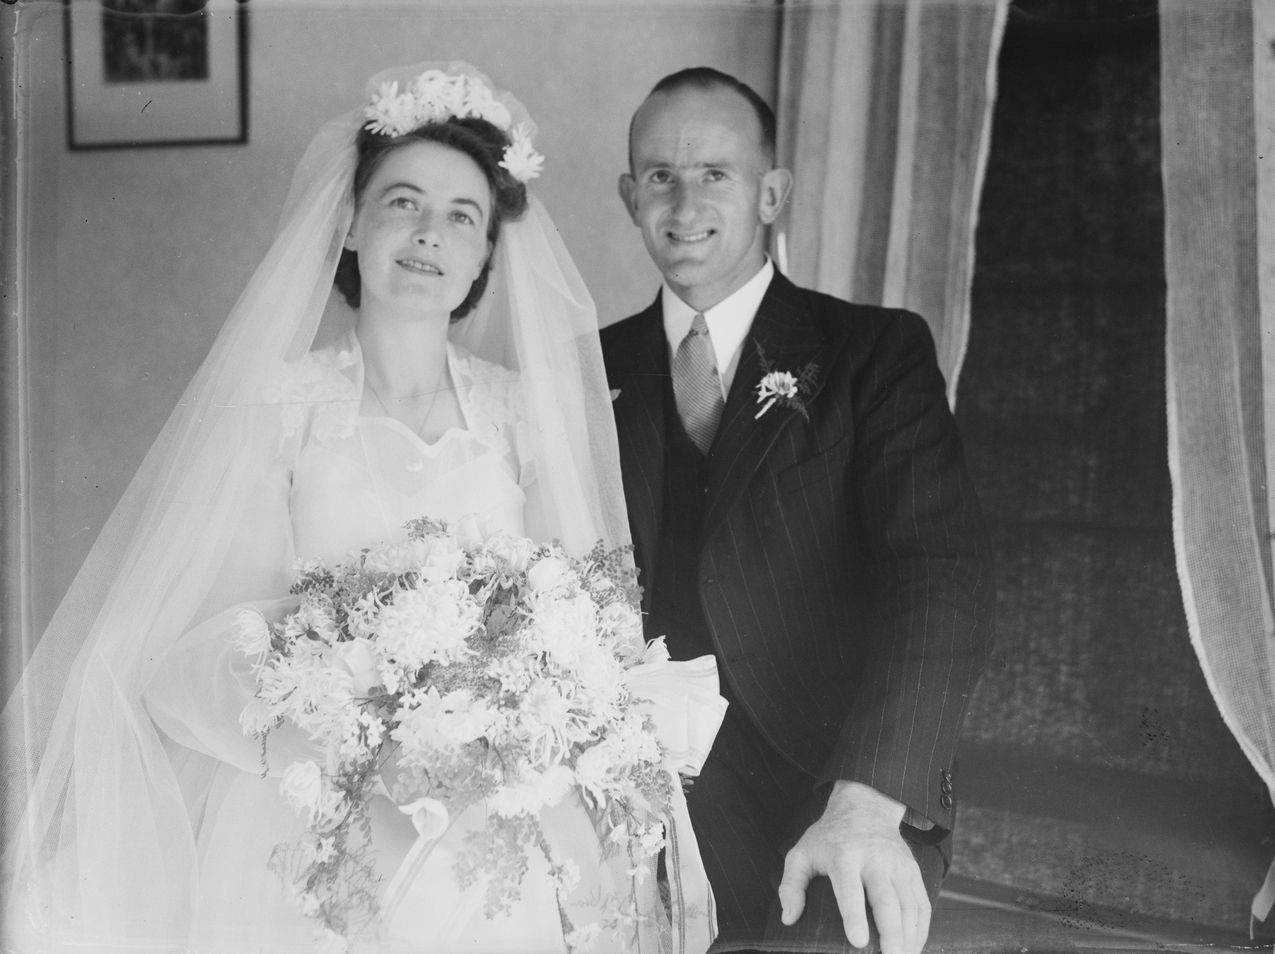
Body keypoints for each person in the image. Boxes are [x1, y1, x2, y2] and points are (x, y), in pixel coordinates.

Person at [2, 63, 721, 954]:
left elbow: (582, 635)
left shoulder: (520, 419)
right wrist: (359, 725)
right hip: (308, 811)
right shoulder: (282, 411)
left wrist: (495, 727)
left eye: (462, 216)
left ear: (486, 253)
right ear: (350, 223)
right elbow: (216, 636)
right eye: (402, 203)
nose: (429, 235)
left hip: (489, 829)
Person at [602, 67, 996, 954]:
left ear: (771, 193)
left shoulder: (872, 352)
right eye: (659, 175)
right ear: (630, 197)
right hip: (647, 782)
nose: (684, 199)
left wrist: (867, 798)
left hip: (836, 774)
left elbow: (943, 576)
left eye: (716, 174)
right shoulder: (586, 373)